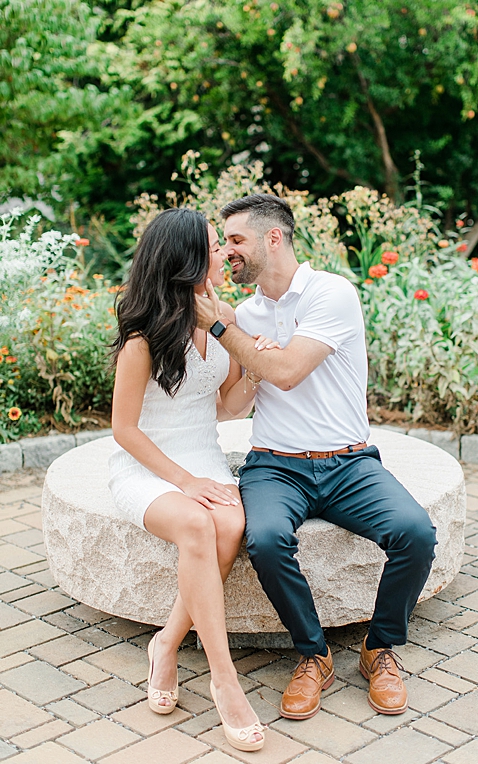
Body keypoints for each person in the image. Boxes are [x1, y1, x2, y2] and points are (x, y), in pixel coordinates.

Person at [193, 194, 437, 719]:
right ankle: (313, 654)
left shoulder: (331, 293)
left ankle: (380, 649)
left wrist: (226, 332)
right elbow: (235, 403)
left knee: (415, 533)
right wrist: (244, 353)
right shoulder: (244, 313)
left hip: (349, 464)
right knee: (263, 539)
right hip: (275, 465)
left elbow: (288, 372)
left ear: (272, 238)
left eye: (236, 240)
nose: (228, 251)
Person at [109, 207, 277, 752]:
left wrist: (252, 365)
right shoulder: (142, 337)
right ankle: (225, 681)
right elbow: (124, 429)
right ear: (185, 259)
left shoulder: (220, 313)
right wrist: (183, 482)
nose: (225, 255)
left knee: (231, 527)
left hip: (203, 457)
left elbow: (227, 407)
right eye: (213, 246)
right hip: (149, 465)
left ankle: (165, 643)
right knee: (200, 527)